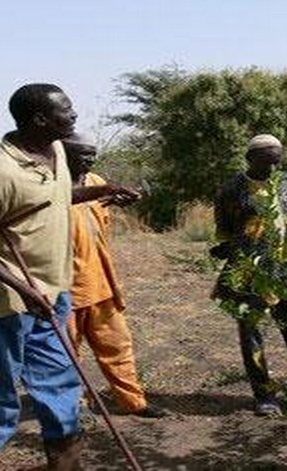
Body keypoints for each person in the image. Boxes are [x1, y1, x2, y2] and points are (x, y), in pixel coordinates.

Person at [0, 83, 140, 470]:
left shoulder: (54, 151)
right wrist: (20, 286)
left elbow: (52, 196)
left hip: (50, 298)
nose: (73, 116)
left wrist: (104, 189)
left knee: (61, 392)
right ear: (39, 119)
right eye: (66, 111)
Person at [211, 134, 287, 416]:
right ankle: (264, 396)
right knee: (252, 335)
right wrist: (228, 249)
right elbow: (224, 230)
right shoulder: (231, 189)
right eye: (266, 162)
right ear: (250, 159)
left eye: (277, 162)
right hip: (248, 272)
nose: (273, 169)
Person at [62, 133, 164, 419]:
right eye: (82, 154)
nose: (89, 159)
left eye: (92, 154)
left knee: (118, 345)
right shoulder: (50, 185)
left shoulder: (95, 182)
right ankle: (76, 407)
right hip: (64, 288)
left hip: (101, 282)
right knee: (68, 353)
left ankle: (134, 402)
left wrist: (120, 199)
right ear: (63, 153)